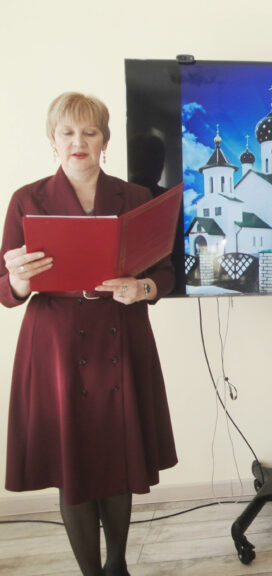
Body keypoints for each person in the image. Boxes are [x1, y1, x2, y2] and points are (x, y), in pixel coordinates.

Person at [0, 92, 178, 576]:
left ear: (104, 140)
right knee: (72, 462)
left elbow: (165, 274)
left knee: (118, 456)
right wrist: (19, 279)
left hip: (121, 334)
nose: (78, 141)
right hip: (55, 343)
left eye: (89, 132)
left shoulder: (136, 197)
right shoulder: (26, 199)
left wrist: (142, 288)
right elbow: (7, 290)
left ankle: (117, 566)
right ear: (52, 139)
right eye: (68, 132)